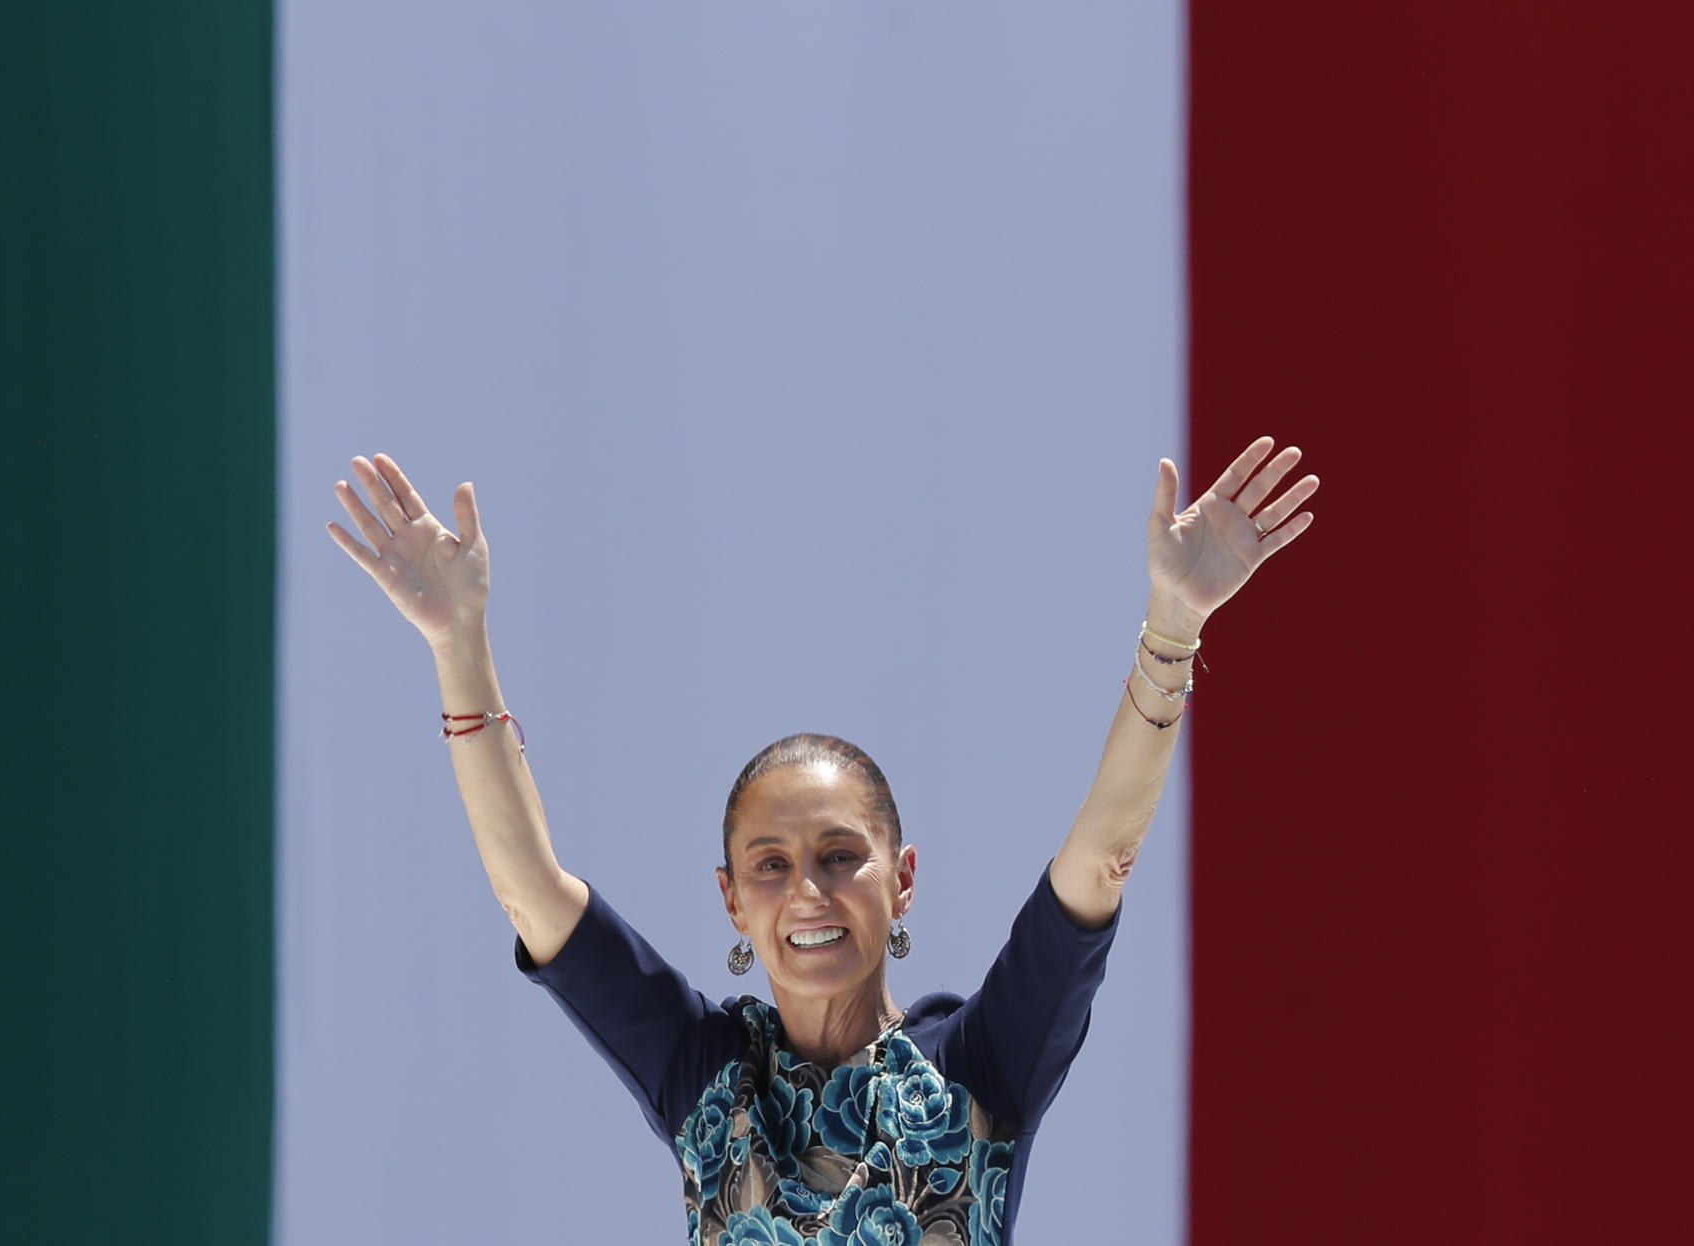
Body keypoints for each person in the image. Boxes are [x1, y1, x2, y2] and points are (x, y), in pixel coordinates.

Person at [327, 438, 1319, 1246]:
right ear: (731, 899)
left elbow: (1103, 850)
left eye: (841, 855)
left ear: (905, 877)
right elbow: (530, 889)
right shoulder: (705, 1074)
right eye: (772, 864)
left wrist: (1173, 625)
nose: (808, 888)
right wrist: (458, 644)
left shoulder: (982, 1064)